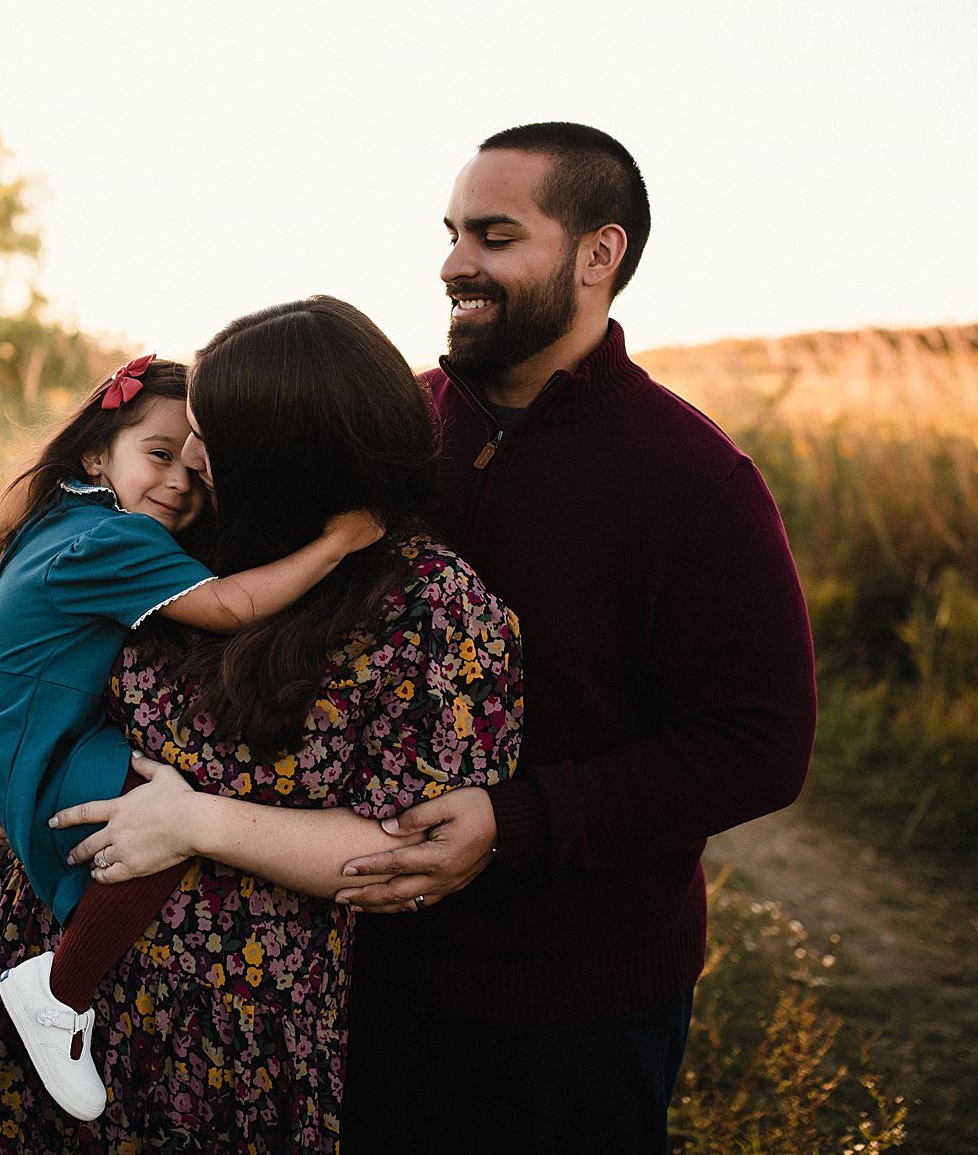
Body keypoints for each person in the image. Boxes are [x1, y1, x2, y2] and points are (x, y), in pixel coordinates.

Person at [0, 296, 524, 1153]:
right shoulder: (190, 527)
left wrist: (202, 822)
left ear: (290, 455)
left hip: (227, 1024)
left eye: (210, 436)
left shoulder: (431, 609)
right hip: (32, 954)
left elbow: (411, 851)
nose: (189, 459)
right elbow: (33, 605)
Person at [330, 122, 821, 1152]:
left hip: (575, 1011)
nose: (453, 264)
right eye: (453, 233)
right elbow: (189, 569)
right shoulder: (387, 434)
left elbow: (756, 744)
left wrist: (512, 822)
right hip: (361, 969)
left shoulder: (692, 480)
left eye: (494, 237)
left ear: (598, 255)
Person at [0, 353, 383, 1120]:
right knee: (148, 818)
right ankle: (57, 991)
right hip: (41, 745)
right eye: (159, 454)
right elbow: (234, 605)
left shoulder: (62, 514)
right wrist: (337, 543)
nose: (181, 480)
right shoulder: (115, 541)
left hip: (7, 727)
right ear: (97, 450)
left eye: (197, 468)